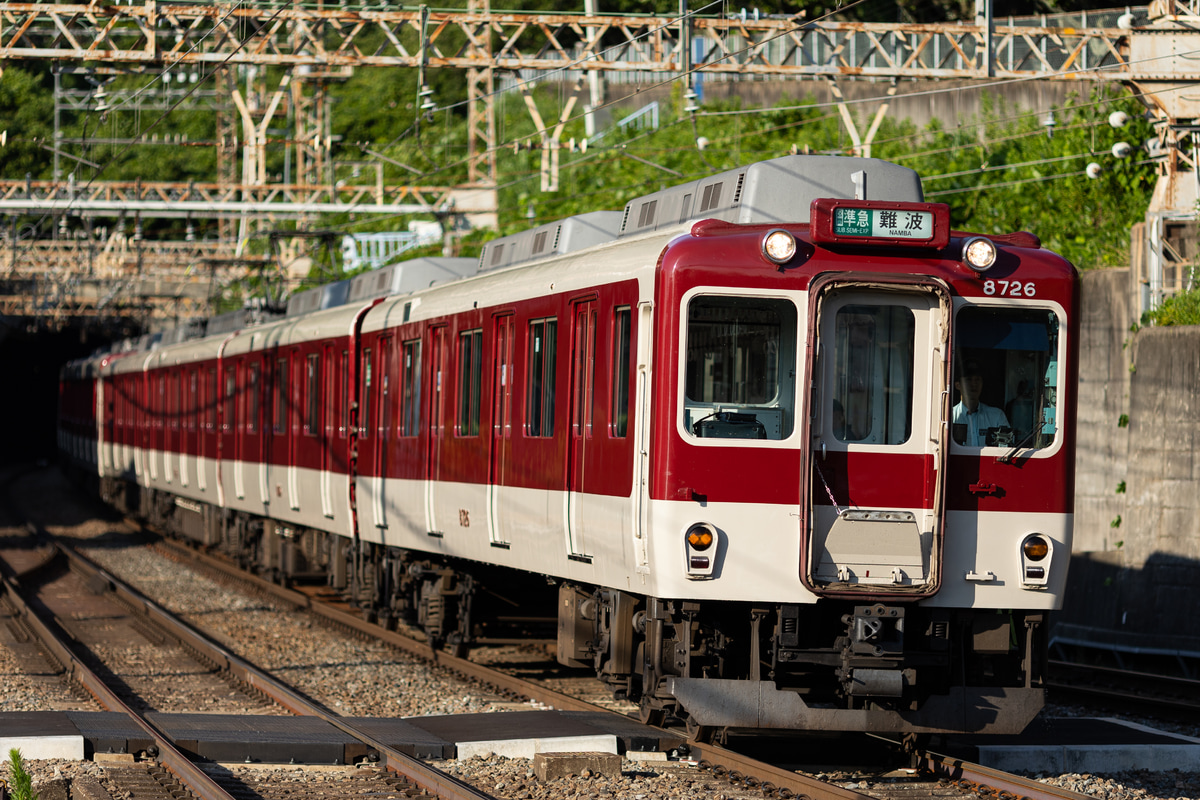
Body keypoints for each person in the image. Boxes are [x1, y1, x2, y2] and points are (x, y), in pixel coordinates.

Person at [952, 359, 1009, 446]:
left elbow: (1005, 450)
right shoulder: (949, 417)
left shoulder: (997, 416)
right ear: (957, 385)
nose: (974, 384)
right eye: (969, 380)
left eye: (977, 379)